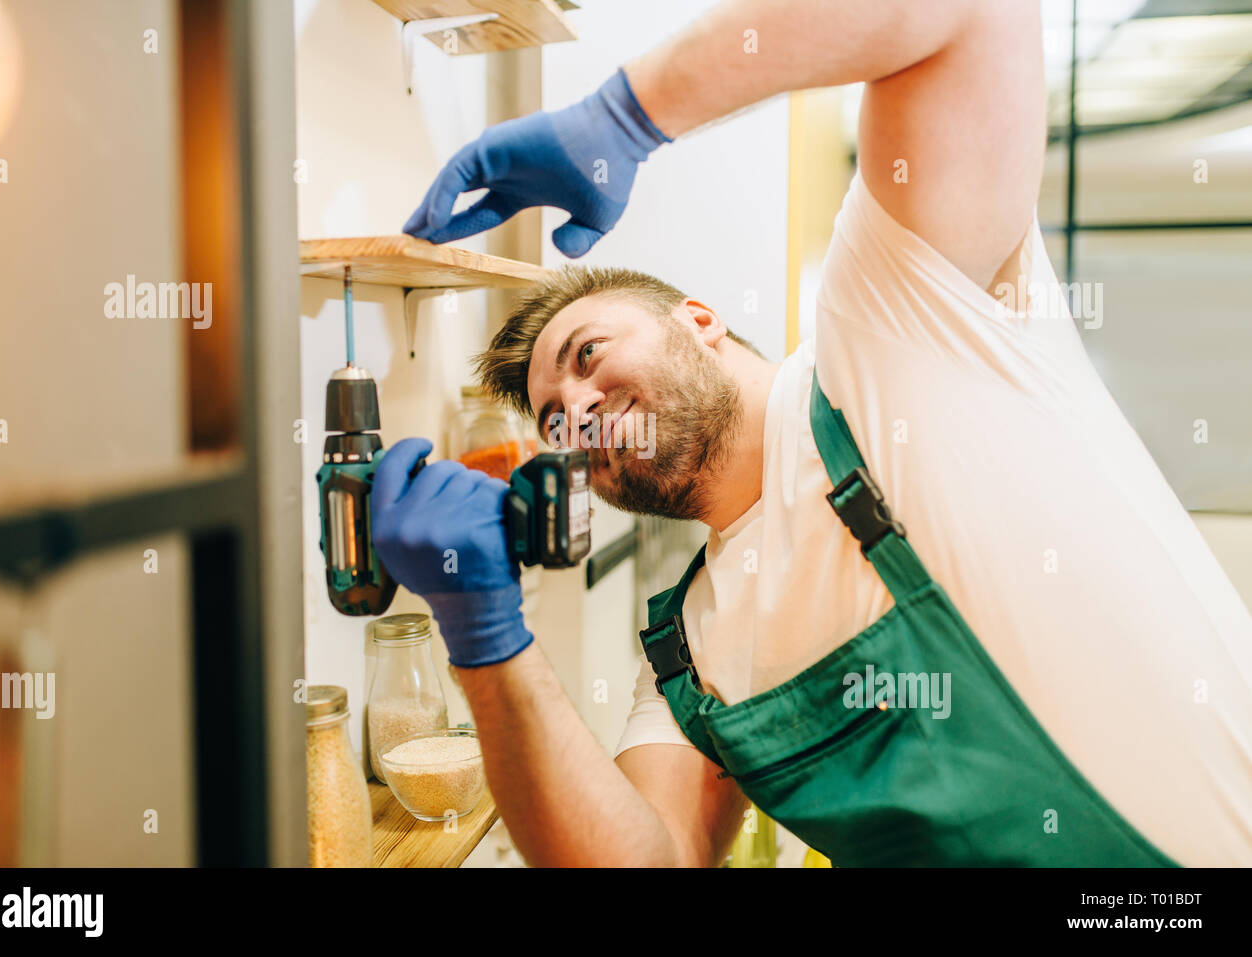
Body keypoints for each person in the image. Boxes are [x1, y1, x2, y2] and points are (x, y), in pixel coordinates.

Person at [370, 0, 1252, 866]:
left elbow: (975, 13)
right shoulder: (690, 655)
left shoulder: (893, 331)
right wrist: (484, 636)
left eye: (587, 352)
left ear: (702, 319)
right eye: (556, 418)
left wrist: (624, 116)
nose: (579, 410)